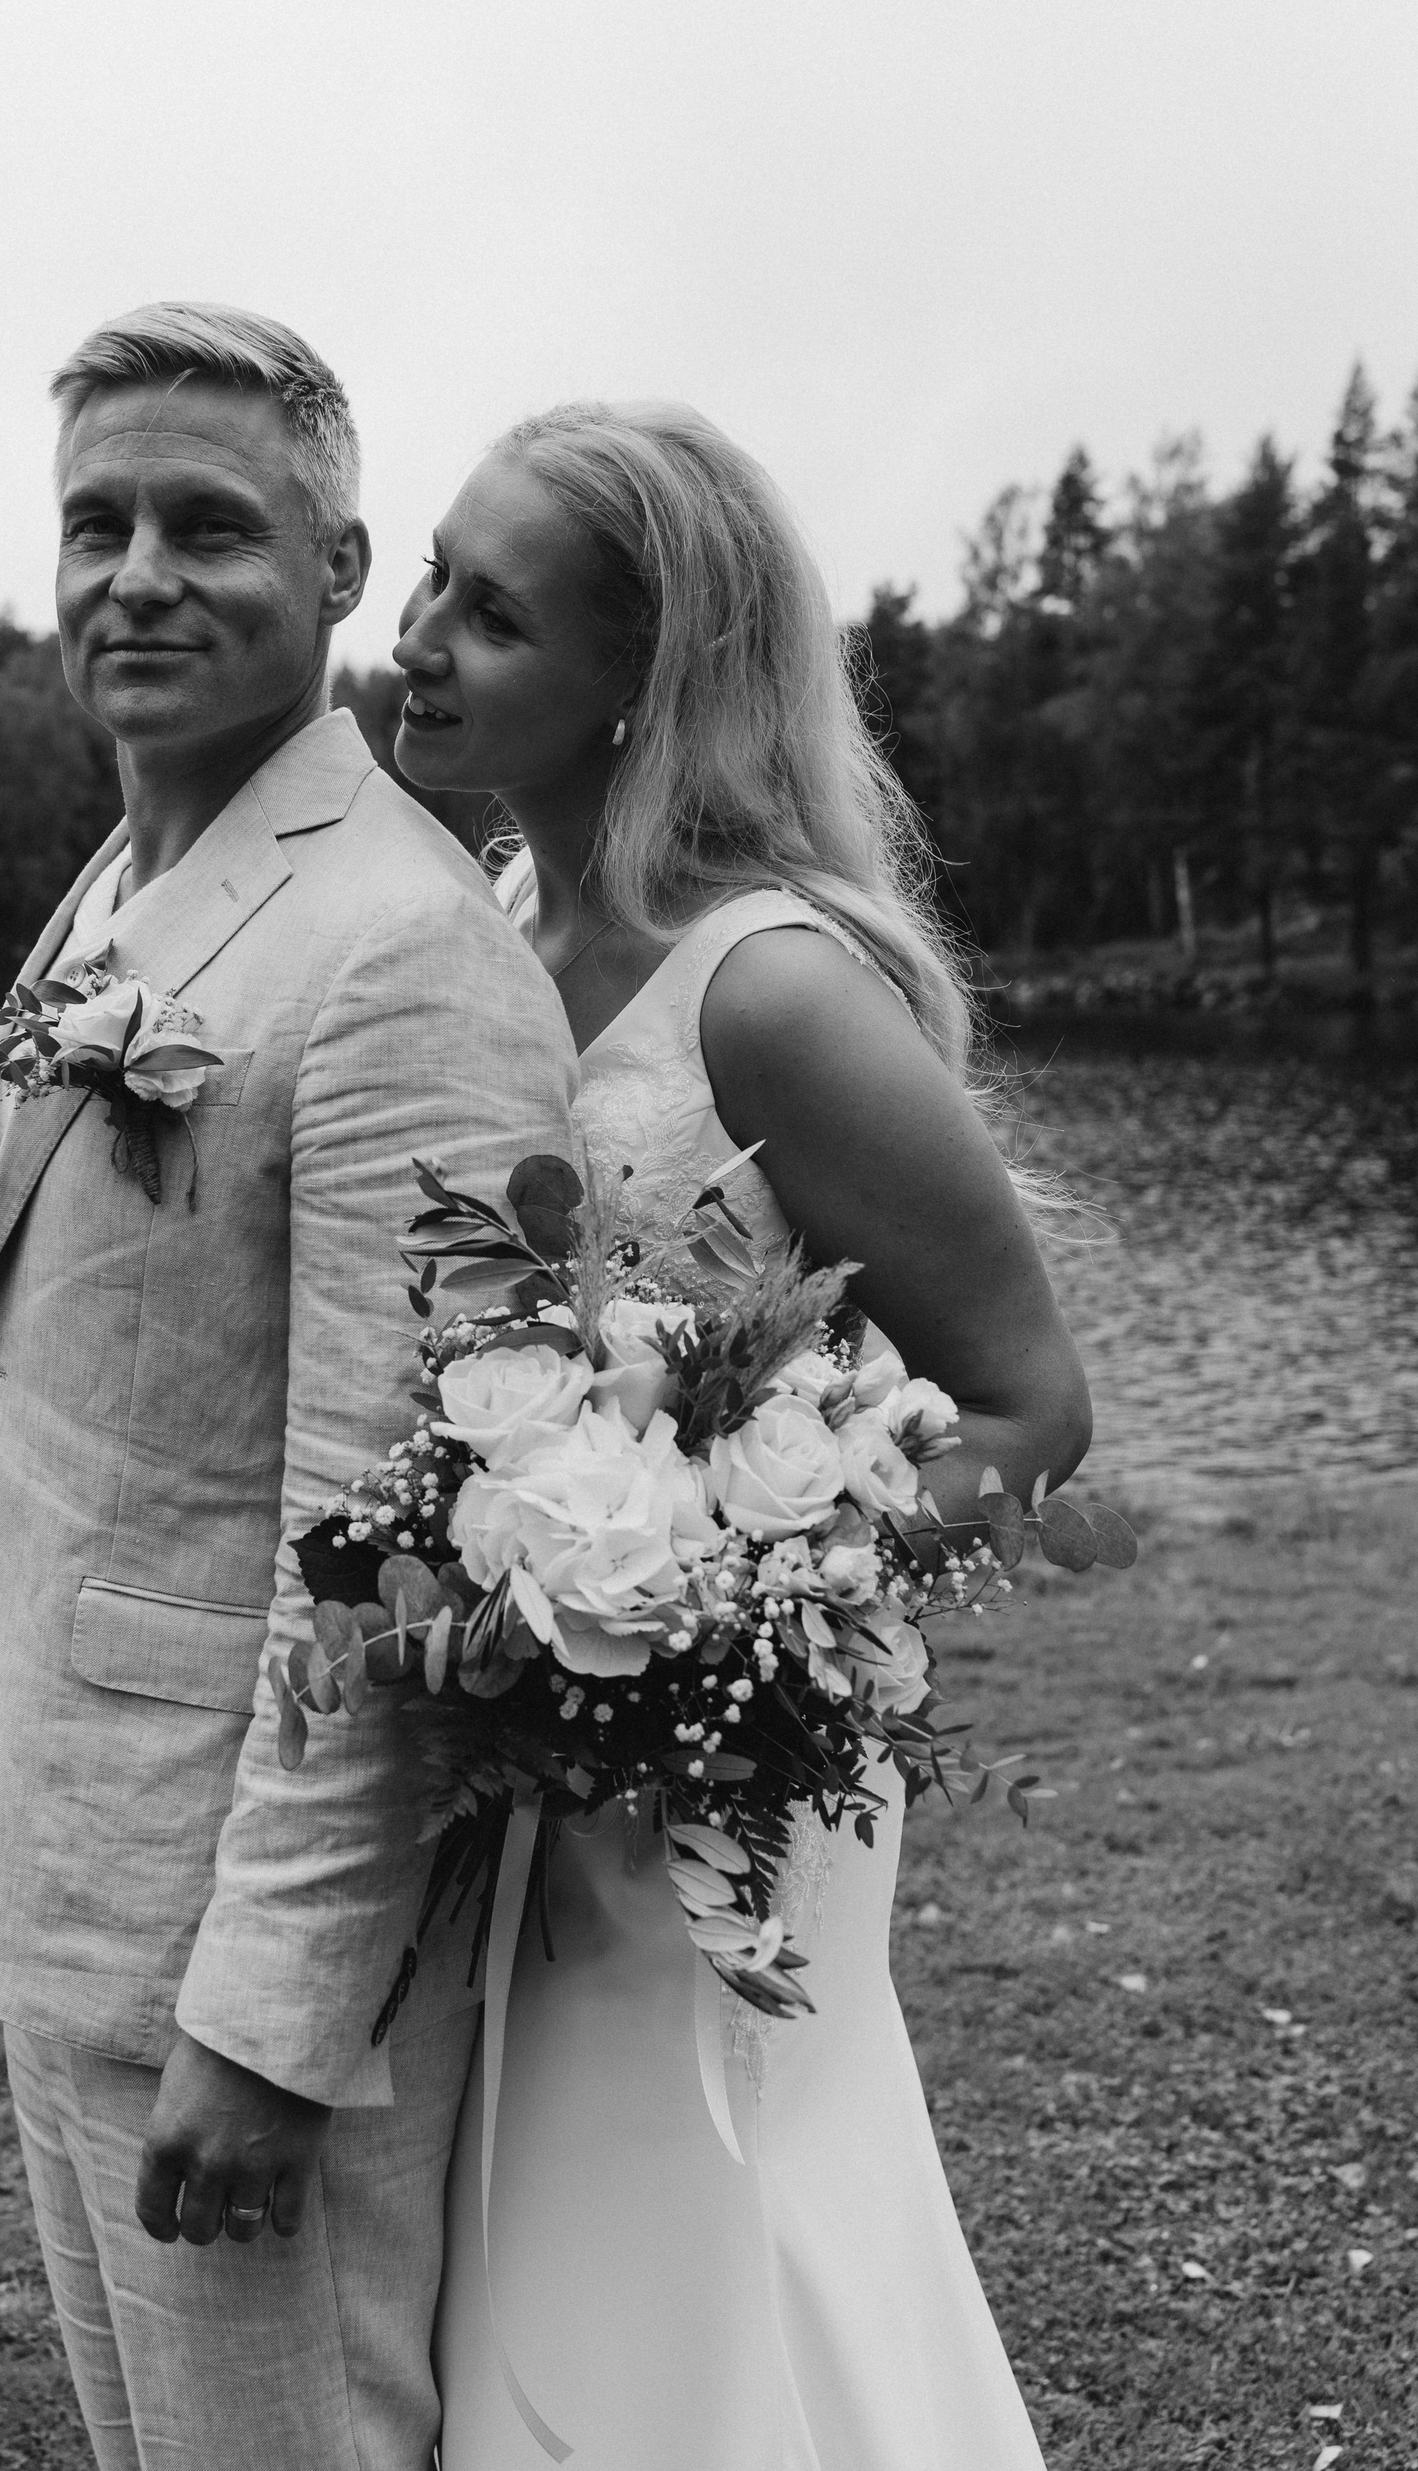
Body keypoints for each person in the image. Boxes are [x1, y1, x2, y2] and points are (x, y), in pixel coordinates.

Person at [0, 305, 576, 2471]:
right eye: (98, 524)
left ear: (340, 569)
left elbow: (395, 1556)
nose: (139, 576)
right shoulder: (121, 883)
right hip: (66, 1868)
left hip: (234, 1959)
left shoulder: (404, 953)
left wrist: (273, 2024)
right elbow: (60, 1406)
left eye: (209, 526)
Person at [392, 398, 1092, 2470]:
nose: (416, 637)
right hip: (513, 1730)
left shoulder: (769, 990)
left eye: (492, 614)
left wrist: (733, 1613)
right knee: (538, 2243)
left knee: (715, 2216)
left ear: (646, 679)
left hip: (717, 1764)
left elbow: (1031, 1404)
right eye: (431, 576)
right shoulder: (486, 922)